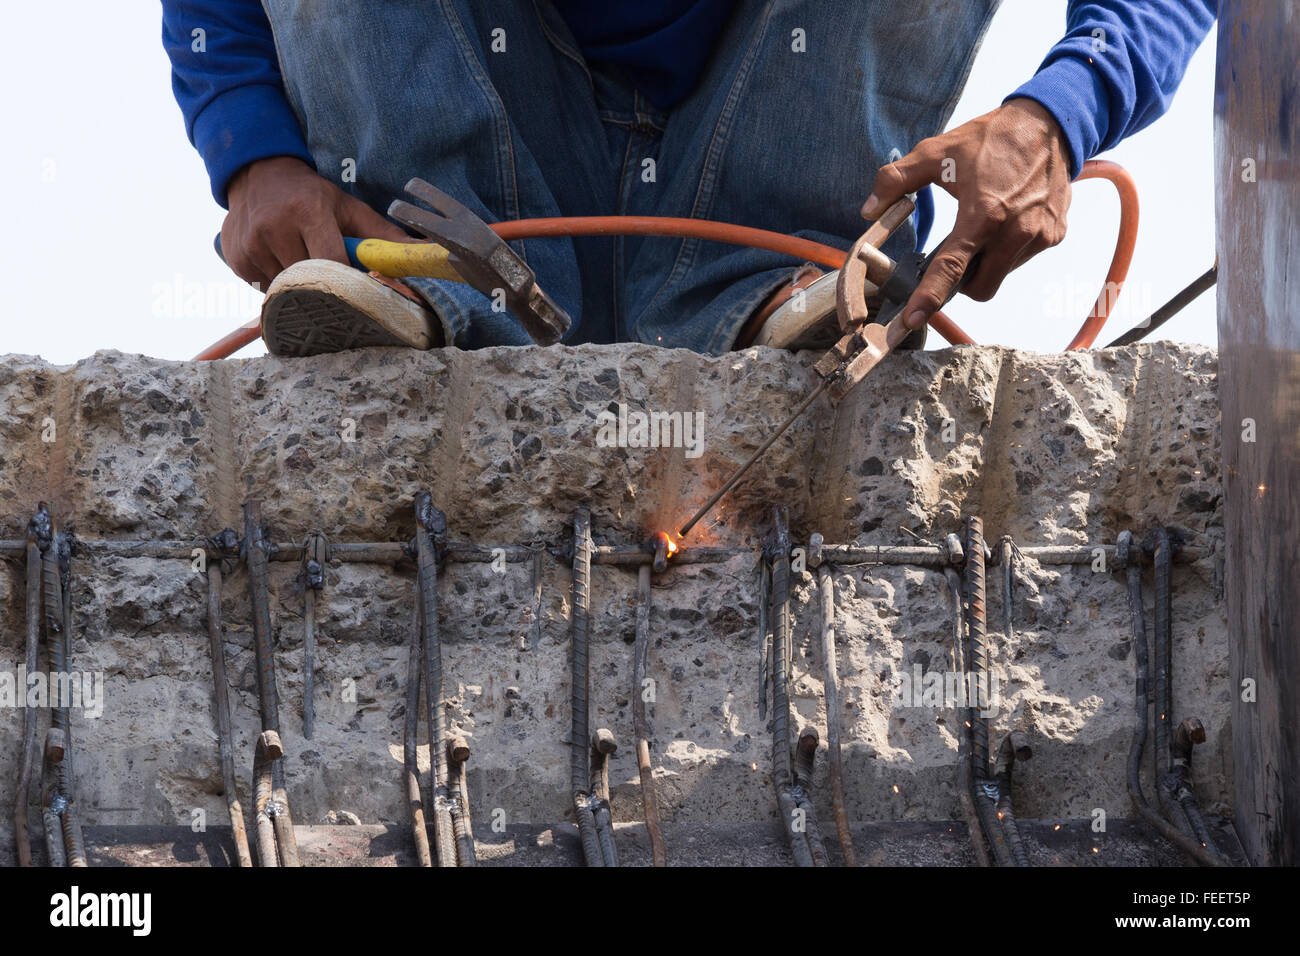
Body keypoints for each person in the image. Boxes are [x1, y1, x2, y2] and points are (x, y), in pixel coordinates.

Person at [163, 1, 1215, 356]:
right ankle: (435, 290)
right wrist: (250, 149)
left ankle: (778, 280)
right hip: (477, 167)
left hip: (771, 148)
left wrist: (1057, 116)